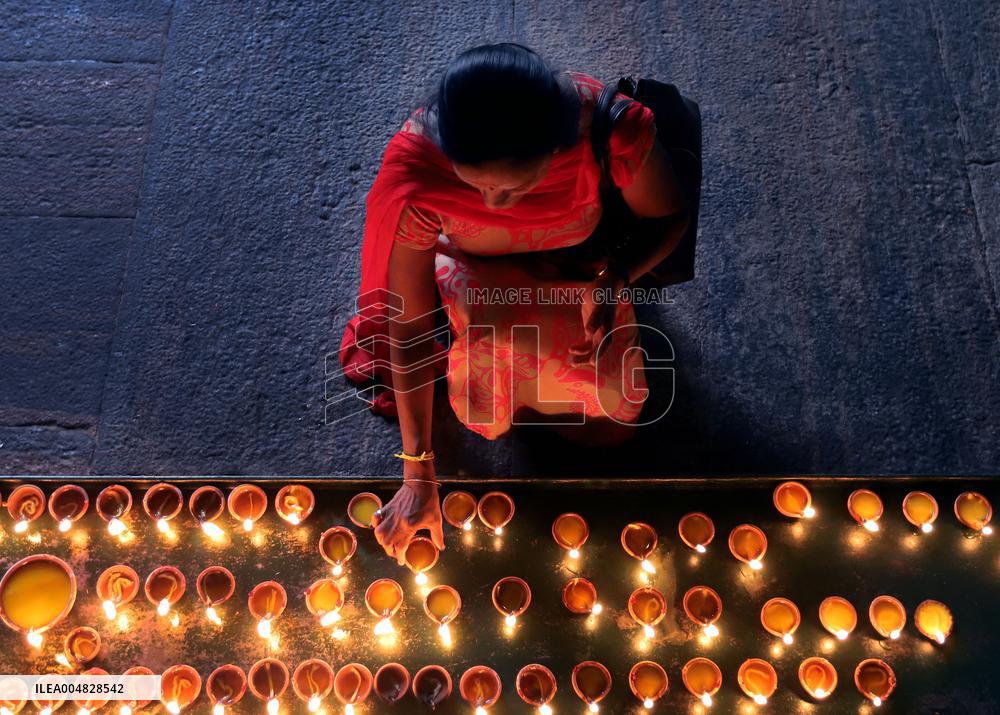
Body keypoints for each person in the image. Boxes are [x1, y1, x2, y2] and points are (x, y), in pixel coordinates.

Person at [339, 43, 690, 562]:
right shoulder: (421, 176)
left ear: (554, 149)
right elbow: (409, 328)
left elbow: (670, 216)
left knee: (614, 408)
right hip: (478, 273)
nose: (492, 205)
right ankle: (504, 360)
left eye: (512, 188)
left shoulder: (605, 131)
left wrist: (618, 276)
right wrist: (418, 472)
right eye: (474, 184)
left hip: (581, 266)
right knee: (487, 394)